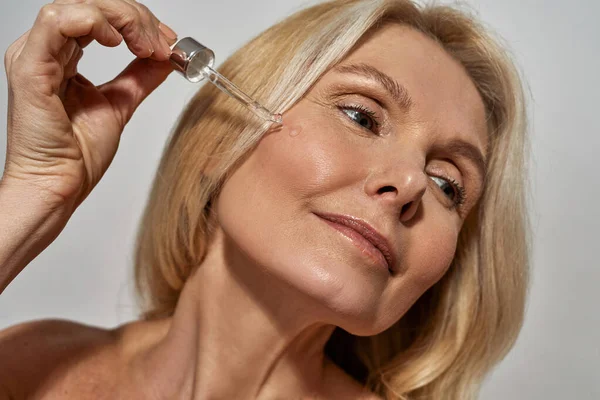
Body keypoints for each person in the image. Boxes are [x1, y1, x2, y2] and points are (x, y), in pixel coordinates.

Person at [0, 0, 530, 398]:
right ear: (221, 140)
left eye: (447, 185)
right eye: (361, 116)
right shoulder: (29, 366)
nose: (412, 183)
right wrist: (34, 192)